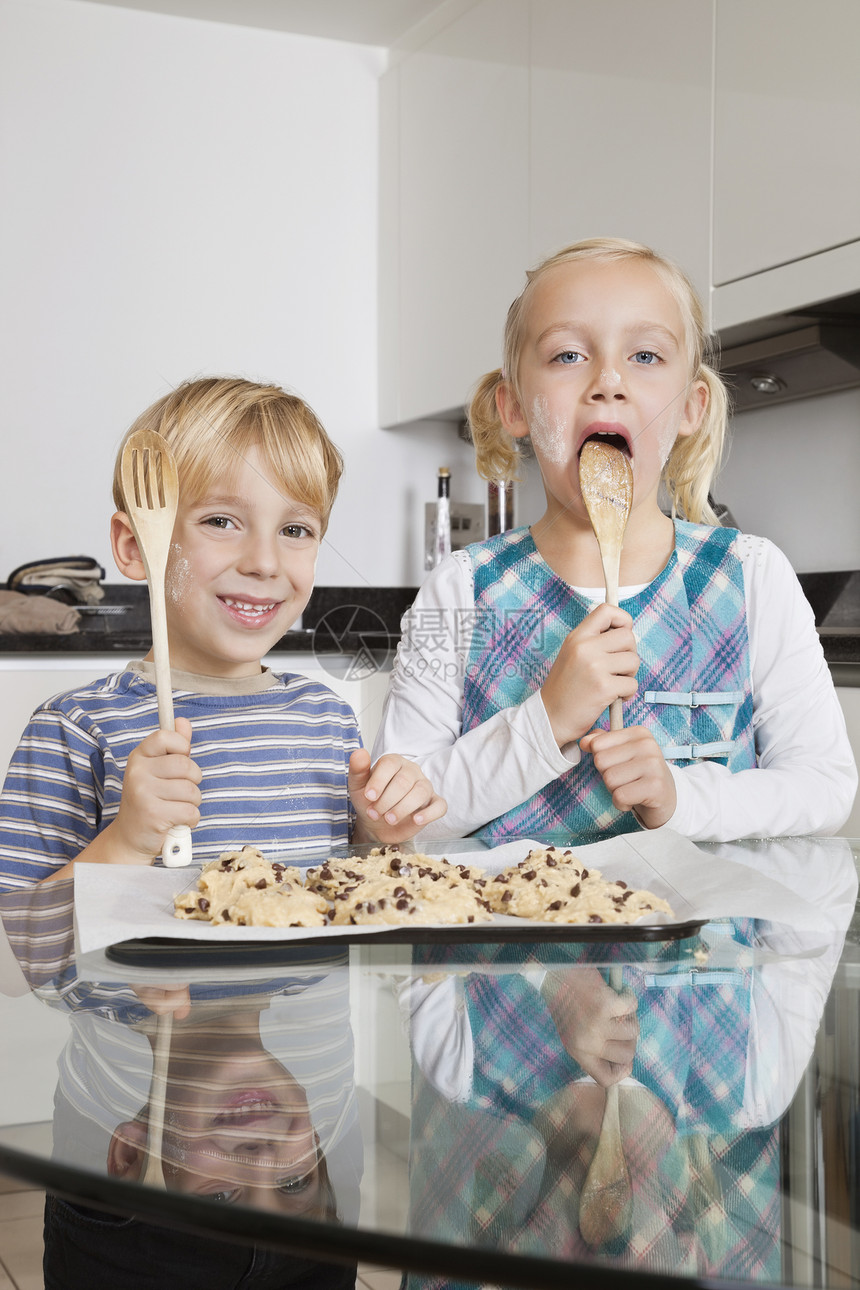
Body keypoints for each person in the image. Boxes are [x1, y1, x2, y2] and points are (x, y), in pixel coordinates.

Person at [373, 238, 857, 843]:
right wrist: (544, 721)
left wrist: (682, 798)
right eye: (569, 355)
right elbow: (400, 819)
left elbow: (824, 786)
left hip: (708, 941)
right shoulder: (461, 590)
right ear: (514, 406)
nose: (608, 381)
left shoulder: (751, 576)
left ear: (691, 407)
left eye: (647, 356)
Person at [0, 377, 445, 888]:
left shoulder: (327, 720)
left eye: (295, 530)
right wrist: (126, 842)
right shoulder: (76, 728)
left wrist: (376, 834)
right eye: (222, 521)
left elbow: (349, 896)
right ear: (133, 545)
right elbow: (22, 937)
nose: (263, 562)